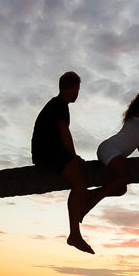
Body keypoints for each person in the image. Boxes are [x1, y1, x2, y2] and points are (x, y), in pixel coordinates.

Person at [31, 71, 96, 254]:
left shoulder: (56, 104)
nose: (78, 93)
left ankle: (82, 207)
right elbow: (64, 133)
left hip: (48, 152)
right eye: (78, 89)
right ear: (73, 87)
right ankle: (74, 234)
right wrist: (73, 156)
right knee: (80, 182)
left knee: (81, 181)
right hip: (48, 154)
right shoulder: (60, 104)